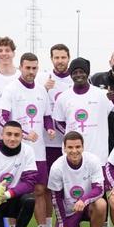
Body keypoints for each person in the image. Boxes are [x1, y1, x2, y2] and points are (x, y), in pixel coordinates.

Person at [0, 52, 55, 227]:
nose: (31, 71)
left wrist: (49, 128)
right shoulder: (11, 89)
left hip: (38, 150)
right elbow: (2, 117)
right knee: (14, 190)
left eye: (34, 68)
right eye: (27, 68)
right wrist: (22, 134)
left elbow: (47, 116)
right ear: (20, 67)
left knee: (40, 189)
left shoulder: (41, 91)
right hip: (16, 149)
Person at [51, 57, 114, 162]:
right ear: (71, 75)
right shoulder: (63, 97)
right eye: (75, 72)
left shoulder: (102, 94)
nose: (78, 75)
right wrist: (70, 135)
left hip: (98, 156)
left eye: (82, 72)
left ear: (87, 73)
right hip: (72, 155)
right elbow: (58, 122)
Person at [47, 131, 107, 227]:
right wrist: (63, 226)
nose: (74, 151)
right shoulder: (57, 167)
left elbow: (100, 189)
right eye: (70, 147)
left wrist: (83, 200)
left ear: (83, 147)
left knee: (101, 204)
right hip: (69, 210)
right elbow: (56, 199)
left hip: (88, 207)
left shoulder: (93, 160)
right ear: (64, 148)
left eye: (78, 147)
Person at [41, 43, 74, 171]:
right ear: (51, 59)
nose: (60, 61)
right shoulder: (42, 78)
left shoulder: (76, 79)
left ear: (68, 58)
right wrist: (44, 89)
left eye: (63, 57)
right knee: (47, 183)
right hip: (48, 141)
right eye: (56, 58)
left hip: (70, 142)